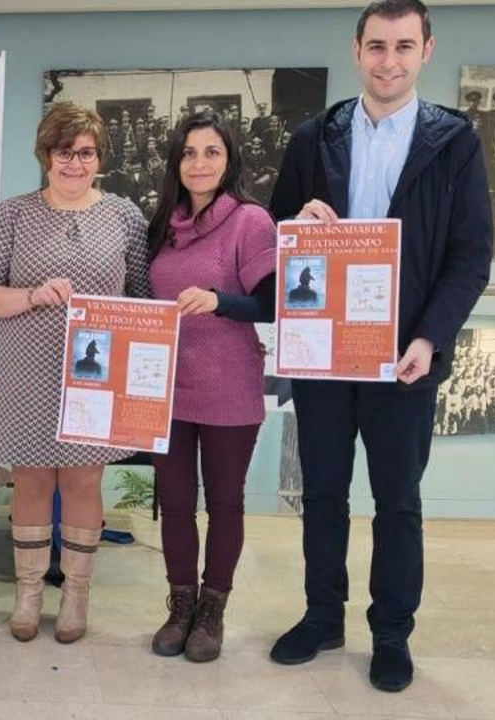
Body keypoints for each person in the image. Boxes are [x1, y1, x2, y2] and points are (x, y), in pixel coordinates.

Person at [267, 0, 492, 692]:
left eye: (402, 45)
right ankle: (322, 617)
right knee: (325, 493)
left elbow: (471, 254)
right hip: (326, 354)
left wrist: (430, 337)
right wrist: (294, 223)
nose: (388, 61)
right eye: (375, 46)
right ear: (357, 50)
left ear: (426, 49)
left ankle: (391, 633)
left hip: (405, 359)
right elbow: (273, 233)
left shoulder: (454, 142)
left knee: (398, 502)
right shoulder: (315, 136)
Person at [0, 102, 150, 644]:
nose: (74, 163)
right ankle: (28, 594)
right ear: (46, 156)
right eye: (63, 152)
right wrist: (30, 294)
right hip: (27, 368)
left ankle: (75, 595)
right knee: (31, 478)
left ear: (100, 158)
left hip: (95, 375)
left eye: (85, 153)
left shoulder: (124, 216)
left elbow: (141, 298)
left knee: (83, 478)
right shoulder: (14, 214)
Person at [143, 110, 276, 663]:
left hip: (229, 387)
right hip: (166, 389)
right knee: (174, 505)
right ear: (177, 162)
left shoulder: (251, 221)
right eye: (190, 152)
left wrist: (219, 300)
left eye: (212, 152)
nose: (200, 163)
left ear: (229, 160)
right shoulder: (160, 226)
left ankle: (212, 610)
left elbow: (271, 304)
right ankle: (180, 607)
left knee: (224, 504)